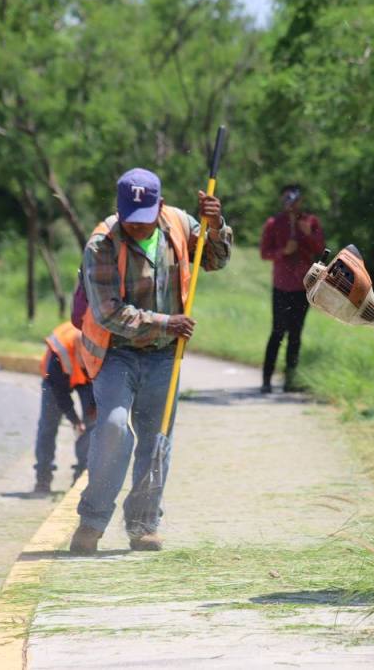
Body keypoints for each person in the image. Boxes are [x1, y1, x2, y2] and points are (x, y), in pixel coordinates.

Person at [70, 168, 232, 555]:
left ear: (160, 207)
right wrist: (166, 322)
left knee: (156, 439)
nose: (137, 227)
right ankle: (92, 521)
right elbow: (108, 312)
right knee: (113, 429)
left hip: (163, 354)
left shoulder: (179, 224)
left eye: (144, 219)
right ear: (119, 209)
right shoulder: (101, 243)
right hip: (115, 352)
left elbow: (215, 261)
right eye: (130, 219)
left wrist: (215, 226)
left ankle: (143, 525)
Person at [259, 184, 325, 393]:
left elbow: (320, 249)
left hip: (303, 286)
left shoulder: (311, 222)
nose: (292, 204)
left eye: (295, 199)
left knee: (296, 334)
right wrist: (283, 251)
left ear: (301, 201)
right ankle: (266, 380)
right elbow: (264, 253)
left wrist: (308, 234)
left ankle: (290, 380)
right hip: (281, 285)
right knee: (277, 332)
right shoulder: (273, 223)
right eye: (287, 199)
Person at [32, 321, 96, 494]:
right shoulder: (60, 351)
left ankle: (82, 474)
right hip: (55, 379)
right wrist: (75, 420)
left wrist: (88, 417)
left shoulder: (99, 348)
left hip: (87, 381)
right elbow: (60, 393)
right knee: (48, 426)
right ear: (78, 349)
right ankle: (43, 477)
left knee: (93, 423)